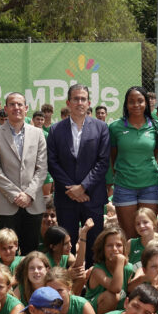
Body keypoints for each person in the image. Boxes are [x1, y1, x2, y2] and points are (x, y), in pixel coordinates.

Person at [46, 84, 110, 267]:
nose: (79, 102)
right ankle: (68, 285)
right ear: (68, 102)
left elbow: (103, 162)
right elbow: (52, 163)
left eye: (83, 99)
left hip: (92, 196)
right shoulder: (55, 130)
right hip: (66, 198)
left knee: (94, 243)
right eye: (75, 99)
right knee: (66, 245)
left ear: (89, 103)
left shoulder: (101, 128)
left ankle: (91, 283)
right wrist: (72, 189)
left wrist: (82, 187)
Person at [0, 92, 47, 255]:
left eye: (20, 104)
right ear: (5, 109)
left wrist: (28, 194)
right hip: (6, 203)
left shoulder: (38, 133)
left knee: (30, 252)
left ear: (26, 108)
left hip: (32, 203)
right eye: (12, 104)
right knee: (7, 253)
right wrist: (15, 195)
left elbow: (41, 169)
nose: (16, 108)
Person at [109, 86, 158, 239]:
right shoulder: (115, 127)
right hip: (124, 186)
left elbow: (155, 152)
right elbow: (113, 155)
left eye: (140, 101)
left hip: (150, 184)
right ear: (126, 104)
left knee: (148, 234)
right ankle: (131, 263)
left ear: (146, 103)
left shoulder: (156, 127)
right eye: (131, 102)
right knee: (129, 235)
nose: (136, 105)